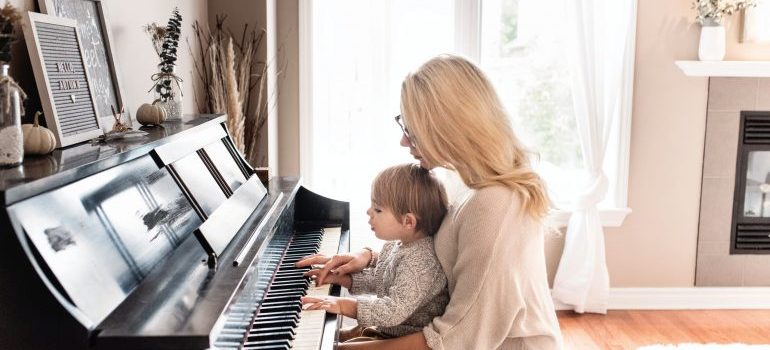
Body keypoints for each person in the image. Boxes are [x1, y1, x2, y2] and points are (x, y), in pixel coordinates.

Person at [297, 54, 563, 349]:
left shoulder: (493, 205)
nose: (404, 141)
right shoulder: (460, 180)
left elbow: (454, 339)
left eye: (410, 129)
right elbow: (433, 255)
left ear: (447, 126)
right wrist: (369, 258)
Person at [300, 163, 449, 342]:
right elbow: (383, 280)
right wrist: (342, 278)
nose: (369, 212)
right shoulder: (398, 245)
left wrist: (342, 304)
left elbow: (392, 311)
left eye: (378, 209)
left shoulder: (421, 262)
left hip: (403, 336)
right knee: (326, 338)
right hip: (390, 329)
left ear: (408, 221)